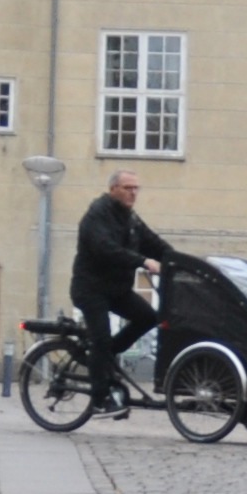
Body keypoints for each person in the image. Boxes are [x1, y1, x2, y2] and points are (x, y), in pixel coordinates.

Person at [73, 171, 176, 405]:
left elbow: (154, 243)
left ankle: (104, 358)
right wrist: (142, 261)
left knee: (149, 318)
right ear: (113, 190)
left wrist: (180, 262)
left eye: (136, 188)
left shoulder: (130, 218)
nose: (133, 193)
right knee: (101, 338)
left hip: (117, 290)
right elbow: (105, 249)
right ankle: (100, 399)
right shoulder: (97, 215)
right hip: (91, 289)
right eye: (128, 188)